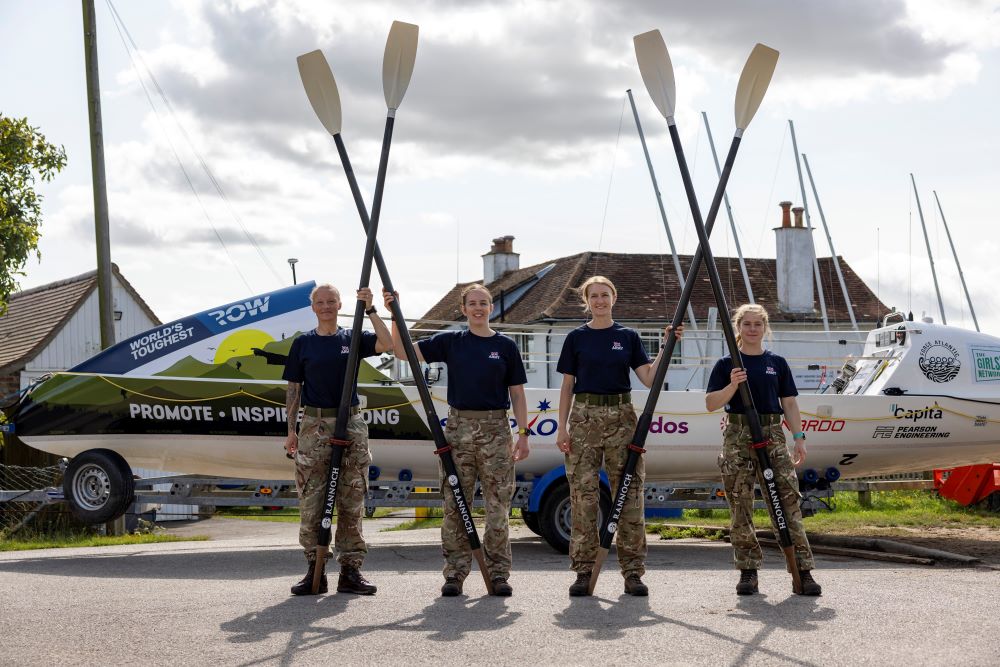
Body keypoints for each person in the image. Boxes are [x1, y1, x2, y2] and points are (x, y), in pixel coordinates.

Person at [388, 284, 529, 597]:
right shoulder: (451, 342)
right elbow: (402, 353)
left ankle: (499, 574)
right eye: (472, 304)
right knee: (455, 505)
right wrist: (395, 316)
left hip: (495, 429)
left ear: (491, 307)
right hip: (459, 427)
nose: (478, 308)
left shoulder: (505, 346)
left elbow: (517, 394)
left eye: (484, 303)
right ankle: (454, 573)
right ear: (464, 309)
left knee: (497, 507)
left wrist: (522, 435)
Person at [555, 276, 681, 597]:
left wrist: (667, 346)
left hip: (622, 417)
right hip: (584, 418)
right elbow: (567, 386)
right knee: (584, 497)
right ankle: (583, 572)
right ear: (587, 301)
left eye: (605, 295)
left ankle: (633, 573)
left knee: (629, 496)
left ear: (614, 297)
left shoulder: (627, 337)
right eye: (593, 296)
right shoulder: (576, 338)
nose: (599, 301)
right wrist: (561, 426)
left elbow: (649, 379)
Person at [704, 303, 822, 596]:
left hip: (771, 433)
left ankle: (802, 571)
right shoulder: (726, 363)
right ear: (738, 328)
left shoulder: (777, 363)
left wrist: (799, 437)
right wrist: (732, 385)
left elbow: (790, 403)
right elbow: (710, 403)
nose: (752, 329)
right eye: (747, 324)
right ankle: (748, 571)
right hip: (738, 433)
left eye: (758, 324)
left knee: (787, 502)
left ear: (765, 328)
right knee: (740, 504)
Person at [283, 283, 392, 596]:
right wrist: (291, 430)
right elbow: (294, 390)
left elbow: (386, 344)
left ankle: (350, 571)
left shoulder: (352, 336)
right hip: (313, 425)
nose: (326, 306)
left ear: (340, 304)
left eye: (332, 301)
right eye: (321, 302)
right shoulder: (303, 343)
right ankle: (314, 570)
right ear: (313, 307)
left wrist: (370, 309)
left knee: (351, 495)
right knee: (311, 498)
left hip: (351, 422)